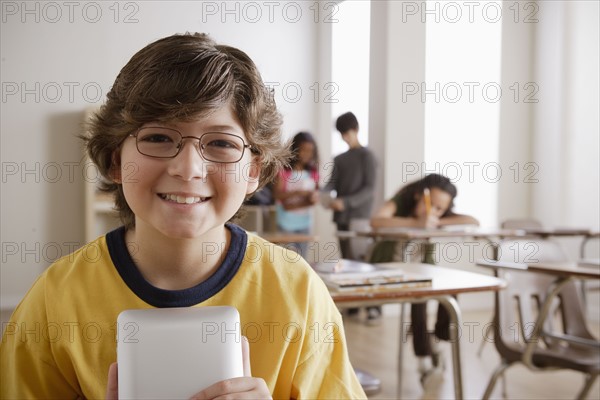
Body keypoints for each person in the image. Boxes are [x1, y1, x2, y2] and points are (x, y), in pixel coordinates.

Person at [0, 33, 366, 399]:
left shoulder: (298, 296)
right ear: (115, 159)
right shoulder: (55, 301)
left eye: (221, 143)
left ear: (254, 170)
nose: (188, 168)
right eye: (158, 137)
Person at [370, 173, 479, 383]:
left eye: (440, 208)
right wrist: (416, 222)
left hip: (422, 269)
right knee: (419, 297)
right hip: (389, 267)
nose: (434, 210)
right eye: (432, 205)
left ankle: (439, 336)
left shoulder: (437, 216)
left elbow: (473, 221)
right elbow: (376, 221)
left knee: (452, 285)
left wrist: (436, 221)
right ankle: (424, 357)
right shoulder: (400, 203)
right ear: (420, 195)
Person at [323, 112, 378, 322]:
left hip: (360, 218)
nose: (345, 137)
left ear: (355, 130)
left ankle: (373, 308)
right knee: (346, 263)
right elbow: (331, 184)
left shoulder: (367, 157)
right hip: (341, 219)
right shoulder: (339, 159)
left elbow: (369, 189)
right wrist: (322, 194)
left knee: (363, 262)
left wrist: (345, 202)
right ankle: (354, 305)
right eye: (342, 134)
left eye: (347, 132)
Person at [273, 132, 319, 258]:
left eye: (310, 151)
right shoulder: (284, 170)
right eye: (303, 150)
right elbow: (277, 195)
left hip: (305, 223)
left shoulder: (313, 172)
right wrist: (298, 192)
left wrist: (308, 200)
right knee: (288, 260)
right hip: (286, 223)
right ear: (295, 149)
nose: (307, 154)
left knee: (303, 261)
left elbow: (314, 198)